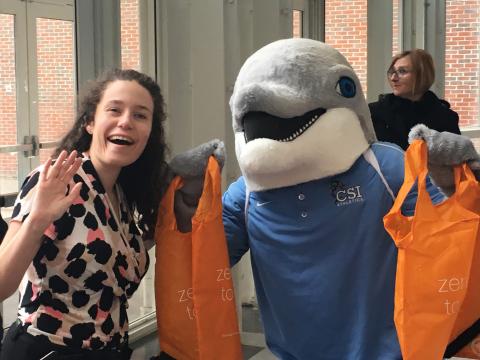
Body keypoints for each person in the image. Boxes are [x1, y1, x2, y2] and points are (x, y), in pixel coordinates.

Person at [0, 68, 168, 360]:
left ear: (150, 132)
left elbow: (110, 259)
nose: (126, 122)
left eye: (140, 115)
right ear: (90, 121)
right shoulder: (56, 181)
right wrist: (37, 221)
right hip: (49, 350)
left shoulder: (119, 193)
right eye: (114, 110)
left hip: (108, 350)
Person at [369, 48, 461, 150]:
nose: (393, 78)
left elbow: (457, 158)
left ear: (422, 75)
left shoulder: (446, 117)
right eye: (392, 72)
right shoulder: (374, 112)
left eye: (402, 71)